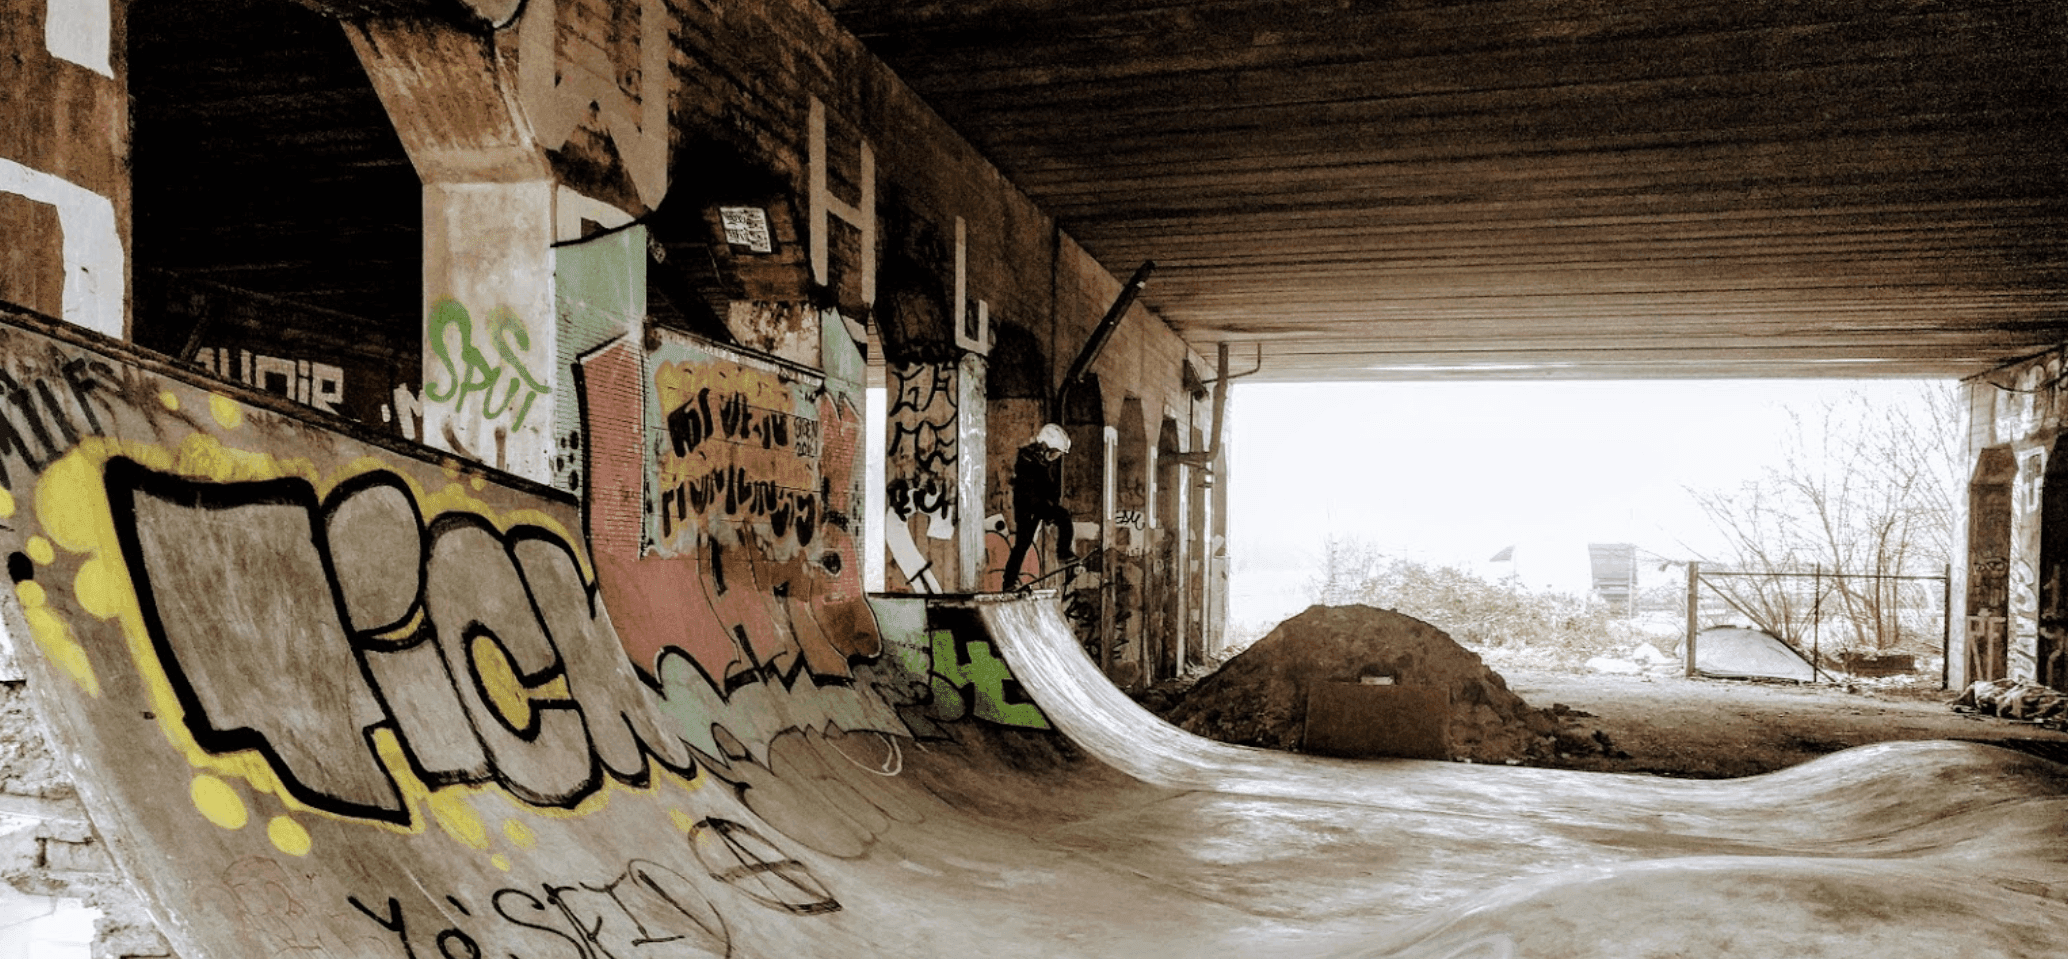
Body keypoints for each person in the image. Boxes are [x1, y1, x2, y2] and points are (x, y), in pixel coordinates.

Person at [1003, 423, 1074, 588]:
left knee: (1024, 542)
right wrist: (1047, 509)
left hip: (1037, 505)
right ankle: (1063, 553)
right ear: (1047, 447)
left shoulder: (1040, 460)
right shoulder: (1028, 459)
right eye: (1056, 453)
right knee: (1024, 542)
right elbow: (1032, 488)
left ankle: (1009, 581)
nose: (1055, 457)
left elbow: (1047, 487)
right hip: (1028, 505)